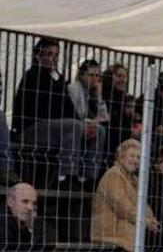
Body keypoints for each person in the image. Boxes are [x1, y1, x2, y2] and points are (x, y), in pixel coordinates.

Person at [12, 37, 98, 186]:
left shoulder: (58, 78)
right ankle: (66, 176)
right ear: (39, 55)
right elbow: (37, 109)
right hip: (32, 128)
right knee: (73, 126)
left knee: (98, 130)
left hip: (55, 129)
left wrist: (85, 123)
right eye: (49, 54)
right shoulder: (32, 75)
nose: (53, 58)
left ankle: (88, 177)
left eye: (56, 55)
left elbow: (68, 107)